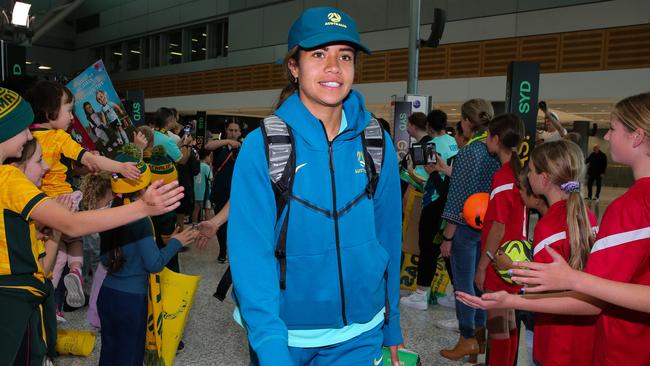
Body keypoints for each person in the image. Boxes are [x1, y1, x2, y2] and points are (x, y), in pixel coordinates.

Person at [226, 7, 403, 366]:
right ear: (294, 66)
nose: (334, 67)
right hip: (283, 336)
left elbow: (388, 238)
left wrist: (391, 324)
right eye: (319, 54)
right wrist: (272, 350)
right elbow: (250, 256)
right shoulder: (263, 146)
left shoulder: (376, 142)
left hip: (360, 333)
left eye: (345, 56)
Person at [457, 92, 650, 366]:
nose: (606, 137)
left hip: (619, 349)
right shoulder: (584, 213)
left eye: (614, 128)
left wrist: (516, 297)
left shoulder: (630, 208)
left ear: (637, 136)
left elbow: (590, 301)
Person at [0, 86, 184, 366]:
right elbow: (72, 225)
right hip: (13, 301)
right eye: (23, 129)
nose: (29, 135)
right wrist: (143, 207)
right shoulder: (8, 178)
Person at [461, 139, 600, 366]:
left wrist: (512, 268)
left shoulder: (549, 225)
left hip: (556, 335)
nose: (528, 175)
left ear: (544, 180)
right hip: (584, 336)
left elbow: (542, 290)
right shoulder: (585, 215)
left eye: (532, 171)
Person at [24, 80, 141, 310]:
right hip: (65, 202)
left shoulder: (27, 138)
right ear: (50, 113)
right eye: (69, 110)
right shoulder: (59, 138)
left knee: (54, 256)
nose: (71, 117)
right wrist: (120, 167)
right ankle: (77, 273)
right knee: (74, 240)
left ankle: (49, 303)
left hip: (39, 206)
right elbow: (89, 159)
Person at [97, 145, 199, 366]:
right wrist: (175, 243)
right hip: (131, 301)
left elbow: (106, 259)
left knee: (109, 354)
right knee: (130, 357)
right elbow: (154, 263)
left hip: (107, 295)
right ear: (143, 188)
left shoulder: (109, 213)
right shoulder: (141, 220)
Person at [438, 99, 500, 362]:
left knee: (463, 285)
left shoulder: (469, 153)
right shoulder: (495, 150)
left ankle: (467, 338)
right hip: (488, 228)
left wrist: (447, 237)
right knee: (481, 282)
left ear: (466, 122)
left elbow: (458, 200)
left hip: (465, 228)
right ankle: (481, 333)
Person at [474, 113, 526, 366]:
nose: (485, 141)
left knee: (498, 327)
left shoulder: (504, 177)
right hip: (515, 258)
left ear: (496, 139)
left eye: (487, 136)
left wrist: (483, 265)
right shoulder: (519, 173)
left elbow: (498, 227)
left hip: (500, 260)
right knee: (509, 323)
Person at [400, 110, 458, 310]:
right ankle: (457, 294)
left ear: (430, 127)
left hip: (434, 201)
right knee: (446, 249)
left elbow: (424, 177)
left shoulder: (431, 146)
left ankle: (421, 294)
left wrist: (408, 172)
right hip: (452, 200)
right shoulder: (452, 142)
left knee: (427, 247)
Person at [209, 120, 242, 263]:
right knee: (220, 224)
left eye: (236, 130)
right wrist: (227, 141)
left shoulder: (244, 147)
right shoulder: (220, 146)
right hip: (219, 191)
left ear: (240, 133)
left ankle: (235, 251)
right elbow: (207, 145)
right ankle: (223, 249)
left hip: (238, 192)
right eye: (230, 130)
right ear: (226, 131)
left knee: (237, 223)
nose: (233, 133)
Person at [193, 149, 214, 223]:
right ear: (206, 157)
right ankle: (207, 227)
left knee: (196, 210)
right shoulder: (206, 167)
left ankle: (194, 226)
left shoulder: (196, 165)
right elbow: (211, 179)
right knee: (207, 210)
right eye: (210, 156)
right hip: (205, 194)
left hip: (196, 192)